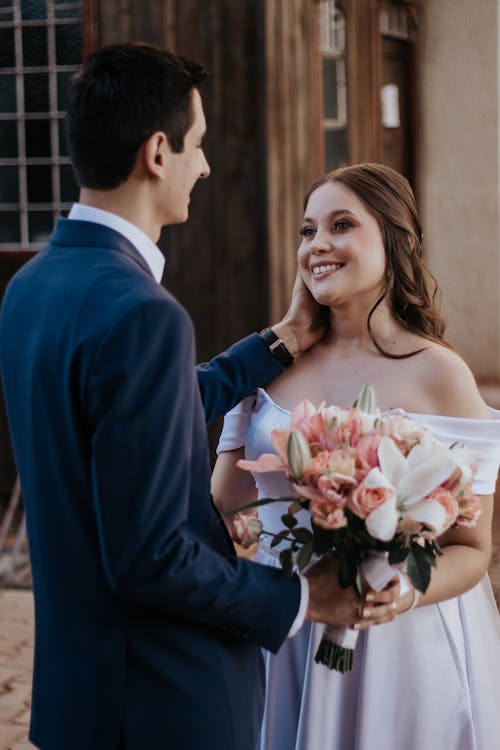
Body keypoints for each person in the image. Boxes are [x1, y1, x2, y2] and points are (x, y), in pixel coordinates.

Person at [0, 47, 400, 750]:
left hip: (79, 697)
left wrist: (275, 343)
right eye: (199, 144)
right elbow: (150, 556)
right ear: (158, 152)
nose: (206, 165)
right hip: (161, 700)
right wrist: (307, 598)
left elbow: (137, 416)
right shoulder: (143, 313)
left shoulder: (30, 289)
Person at [213, 162, 500, 750]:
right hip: (289, 626)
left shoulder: (441, 375)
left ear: (395, 242)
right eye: (307, 230)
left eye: (340, 225)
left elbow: (472, 549)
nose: (317, 245)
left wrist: (403, 592)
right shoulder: (270, 363)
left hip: (401, 642)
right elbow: (224, 500)